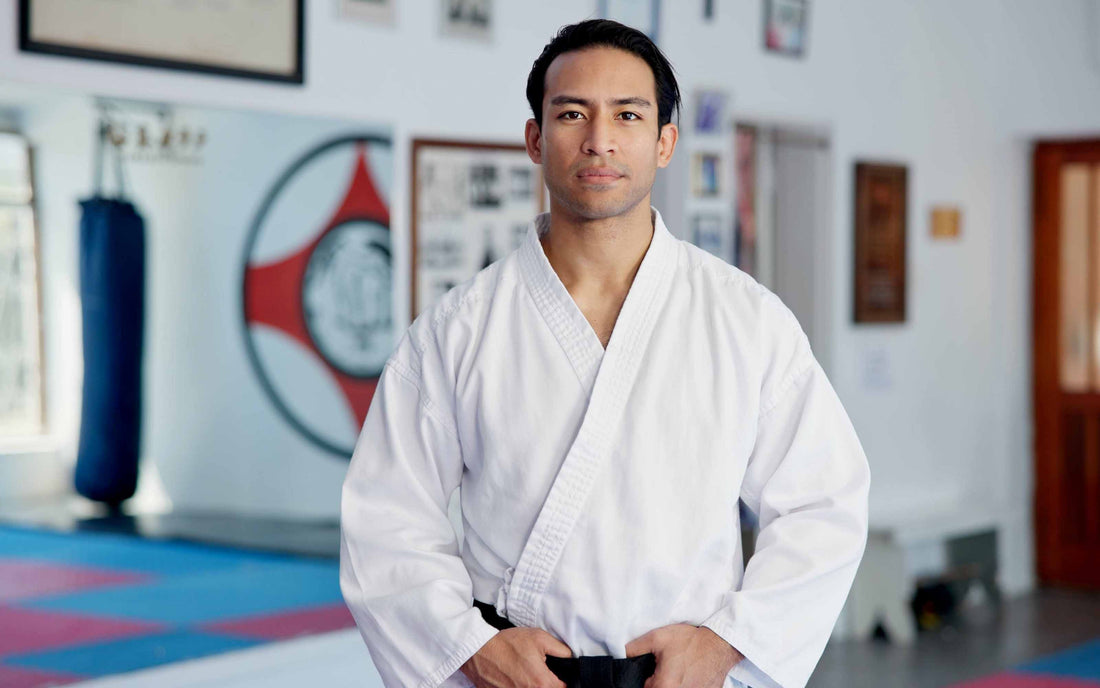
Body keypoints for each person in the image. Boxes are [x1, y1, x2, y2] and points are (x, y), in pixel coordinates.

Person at [340, 18, 870, 688]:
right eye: (571, 113)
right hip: (516, 675)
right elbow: (386, 521)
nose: (600, 139)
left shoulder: (746, 320)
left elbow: (825, 504)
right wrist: (471, 649)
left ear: (665, 142)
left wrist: (730, 644)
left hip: (684, 676)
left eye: (627, 113)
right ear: (535, 138)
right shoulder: (458, 331)